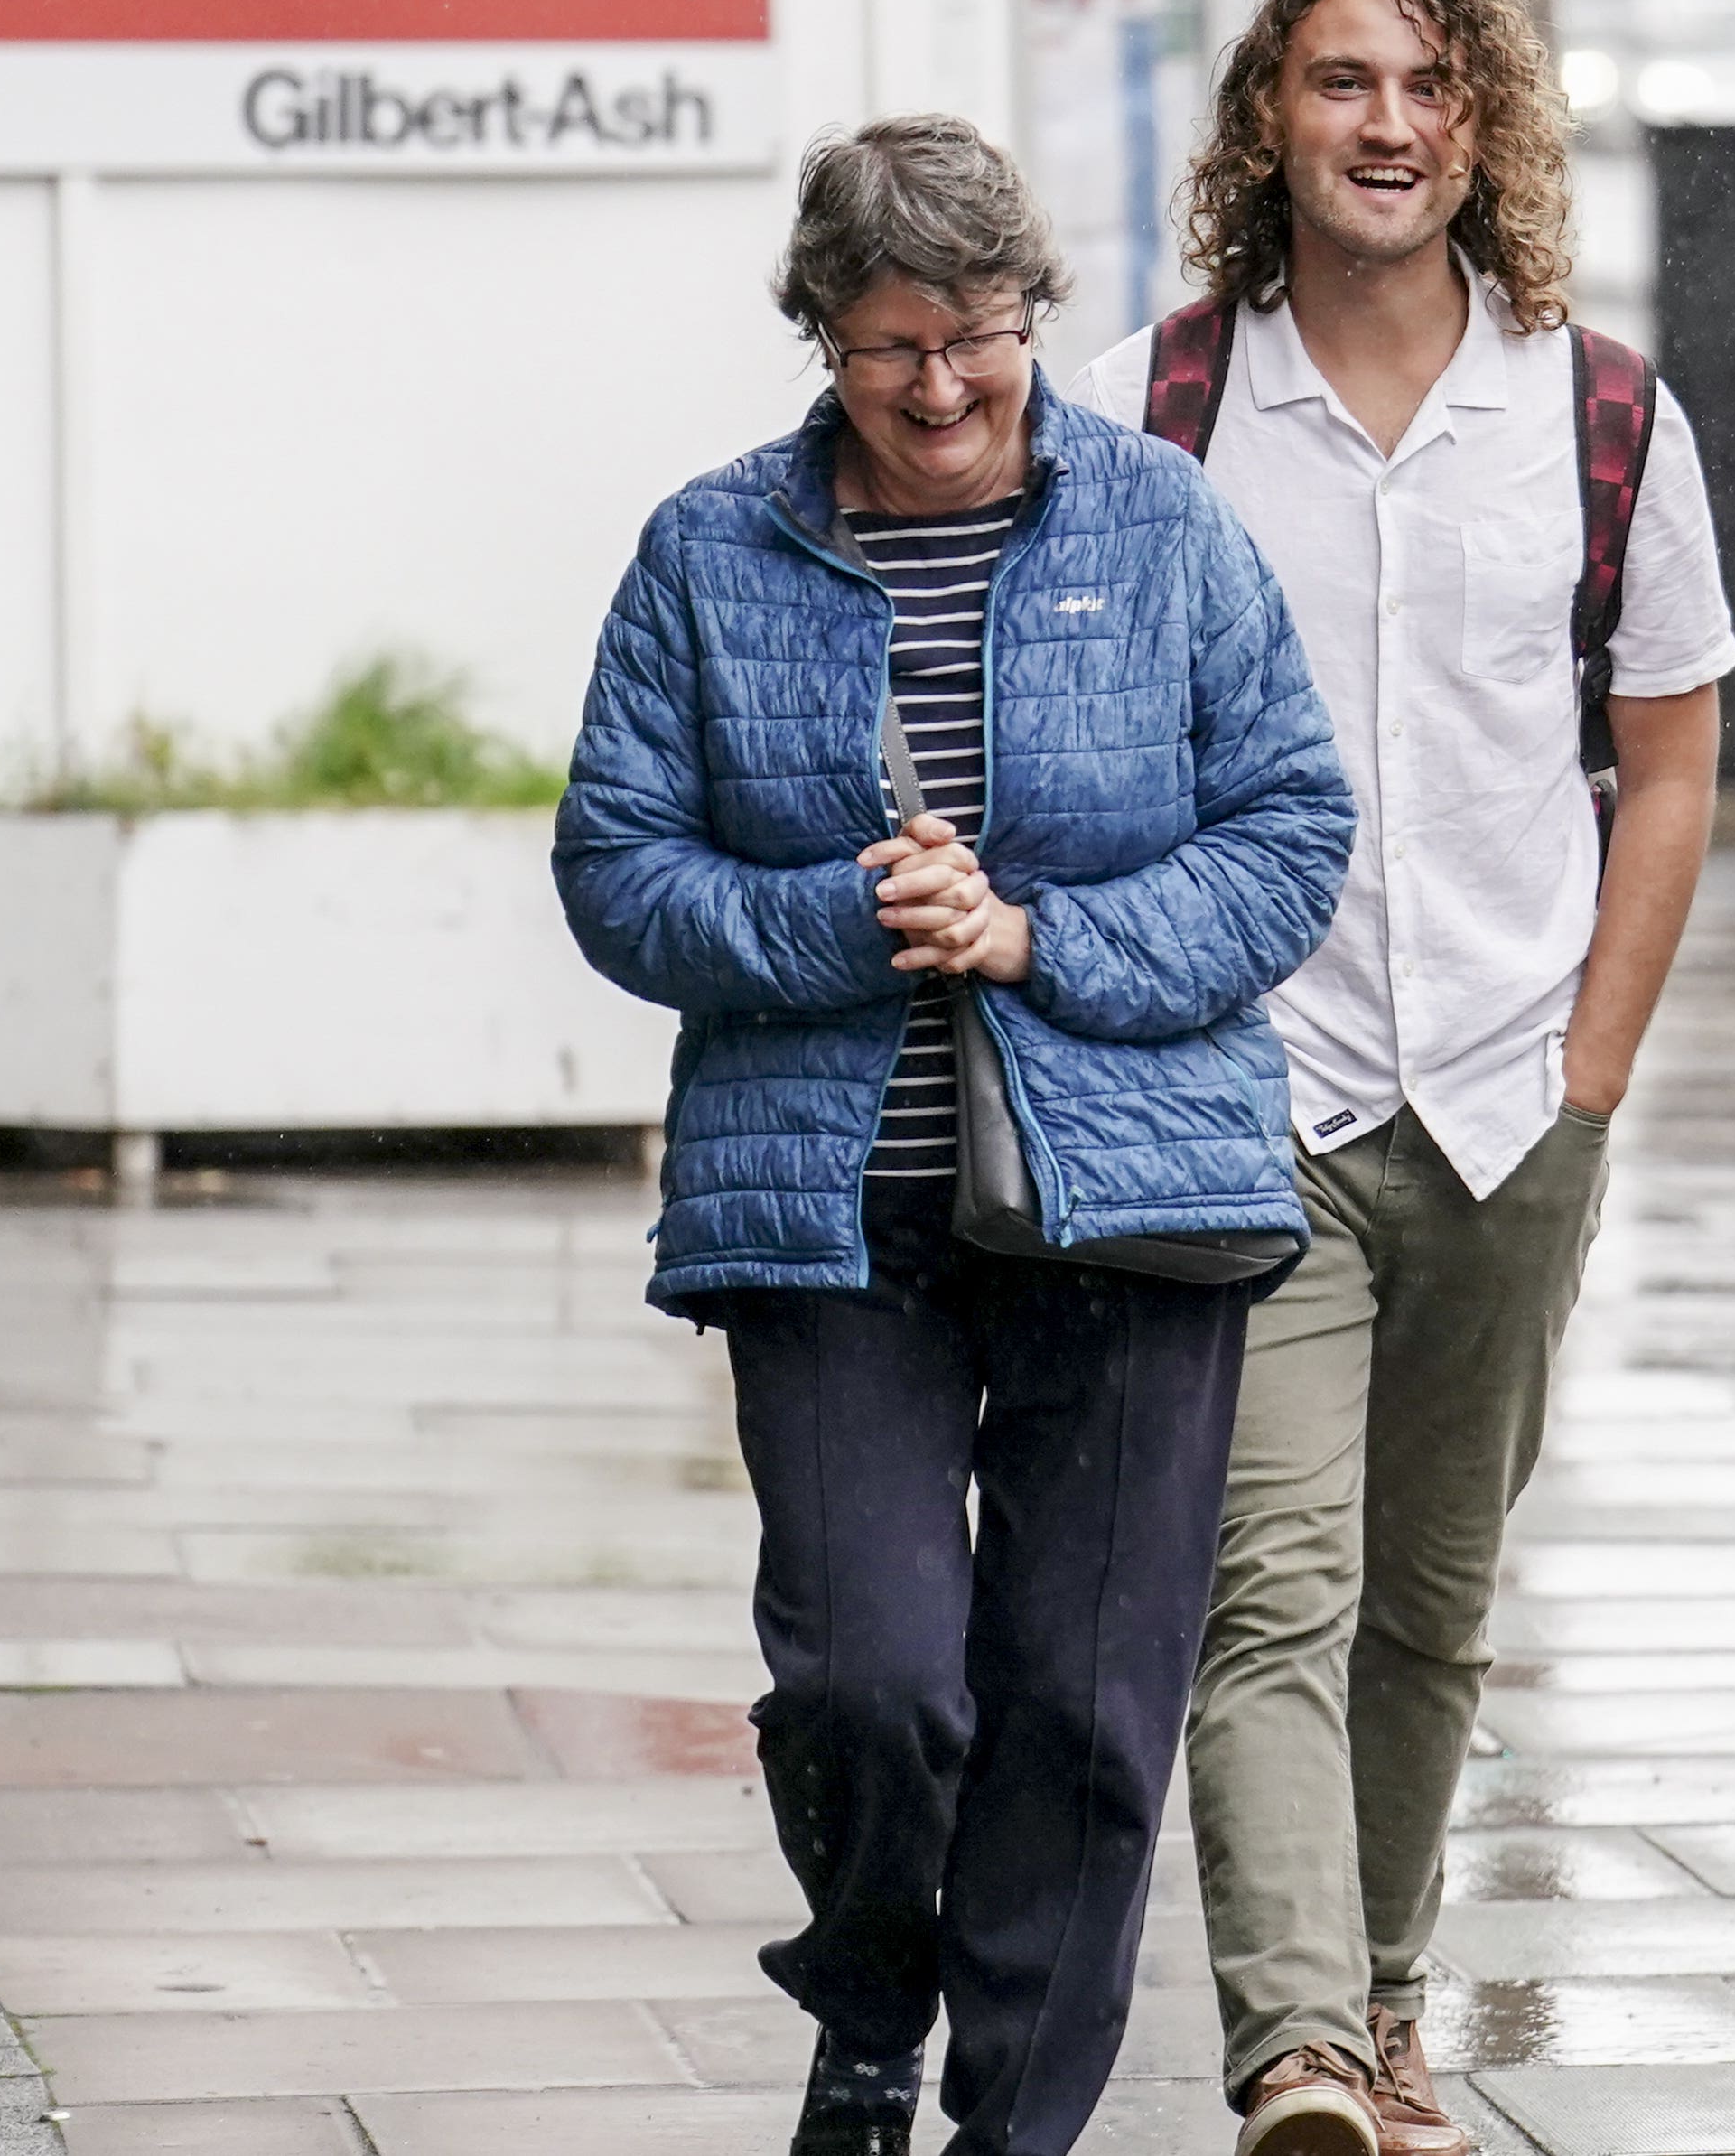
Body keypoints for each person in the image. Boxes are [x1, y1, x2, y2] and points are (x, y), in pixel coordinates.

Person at [556, 114, 1355, 2156]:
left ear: (1034, 320)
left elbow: (1290, 837)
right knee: (873, 1682)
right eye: (888, 346)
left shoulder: (1164, 530)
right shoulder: (708, 550)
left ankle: (1015, 2128)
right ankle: (870, 1981)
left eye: (978, 340)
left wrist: (1032, 931)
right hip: (829, 1217)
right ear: (820, 331)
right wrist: (835, 918)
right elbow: (617, 871)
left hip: (1136, 1205)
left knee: (1087, 1722)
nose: (937, 388)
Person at [1062, 0, 1735, 2156]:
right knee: (1269, 1586)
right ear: (1275, 111)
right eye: (1348, 82)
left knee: (1433, 1609)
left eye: (1434, 90)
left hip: (1505, 1100)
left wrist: (1592, 1078)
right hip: (1245, 1096)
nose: (1391, 126)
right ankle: (1303, 2055)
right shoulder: (1164, 413)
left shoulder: (1603, 412)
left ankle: (1380, 1991)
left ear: (1487, 128)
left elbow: (1669, 753)